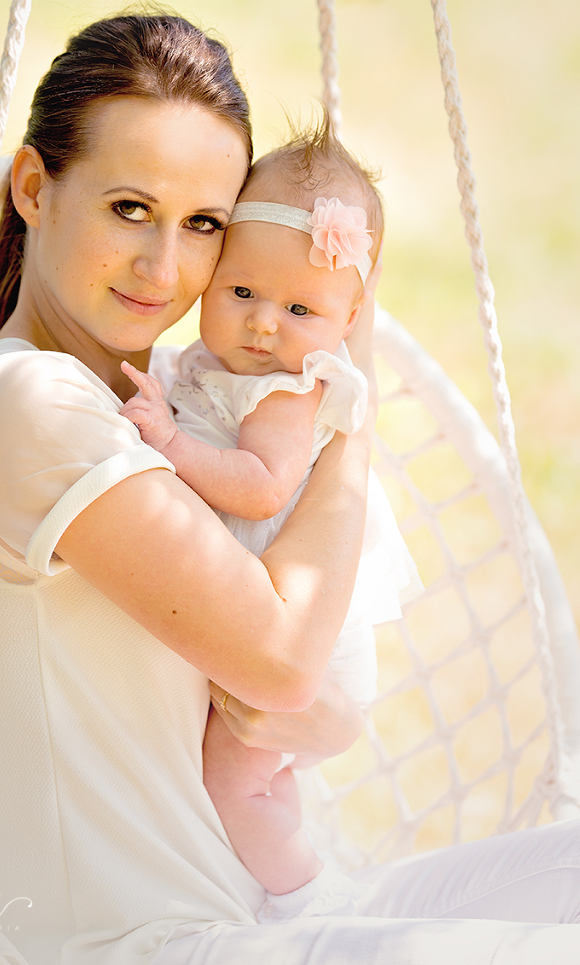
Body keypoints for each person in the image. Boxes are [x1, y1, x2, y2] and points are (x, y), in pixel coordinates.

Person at [0, 12, 580, 965]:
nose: (166, 267)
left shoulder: (174, 407)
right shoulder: (29, 400)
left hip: (253, 905)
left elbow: (298, 699)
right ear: (35, 187)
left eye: (202, 225)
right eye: (129, 208)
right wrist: (339, 409)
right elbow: (280, 658)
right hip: (134, 940)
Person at [119, 126, 422, 911]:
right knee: (233, 780)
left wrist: (170, 442)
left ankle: (305, 901)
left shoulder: (291, 389)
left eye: (300, 307)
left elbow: (256, 486)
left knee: (230, 776)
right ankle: (265, 864)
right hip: (259, 625)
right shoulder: (222, 367)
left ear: (349, 316)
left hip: (306, 645)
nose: (263, 324)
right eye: (242, 292)